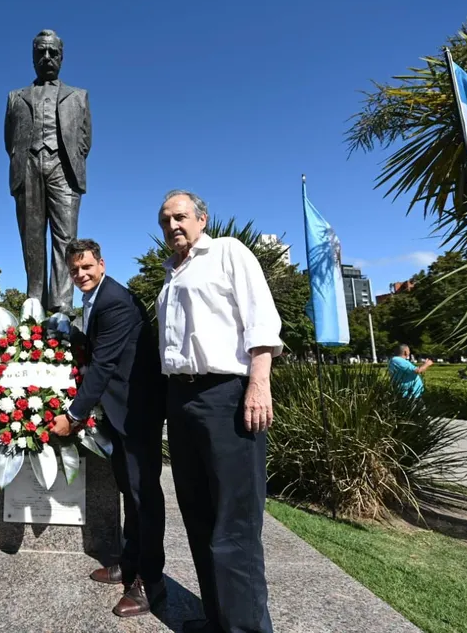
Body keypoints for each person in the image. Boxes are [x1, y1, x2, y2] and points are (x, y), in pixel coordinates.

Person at [156, 190, 282, 633]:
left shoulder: (228, 252)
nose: (173, 225)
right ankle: (219, 618)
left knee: (235, 521)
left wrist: (258, 385)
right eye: (165, 220)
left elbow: (261, 320)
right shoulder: (170, 275)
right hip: (182, 399)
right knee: (199, 514)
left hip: (226, 394)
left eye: (180, 216)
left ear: (202, 218)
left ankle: (246, 628)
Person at [52, 239, 166, 618]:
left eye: (87, 267)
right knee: (128, 491)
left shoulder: (114, 299)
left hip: (138, 412)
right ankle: (130, 563)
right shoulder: (95, 298)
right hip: (120, 412)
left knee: (143, 496)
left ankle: (152, 582)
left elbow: (103, 365)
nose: (81, 274)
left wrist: (74, 414)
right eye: (75, 271)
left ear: (101, 263)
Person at [4, 29, 92, 313]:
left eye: (53, 52)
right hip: (27, 166)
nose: (47, 57)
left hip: (63, 168)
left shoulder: (78, 96)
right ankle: (34, 303)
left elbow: (84, 140)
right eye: (41, 51)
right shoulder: (16, 97)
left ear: (62, 57)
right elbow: (10, 139)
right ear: (32, 57)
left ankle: (62, 306)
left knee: (65, 237)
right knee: (31, 237)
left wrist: (64, 159)